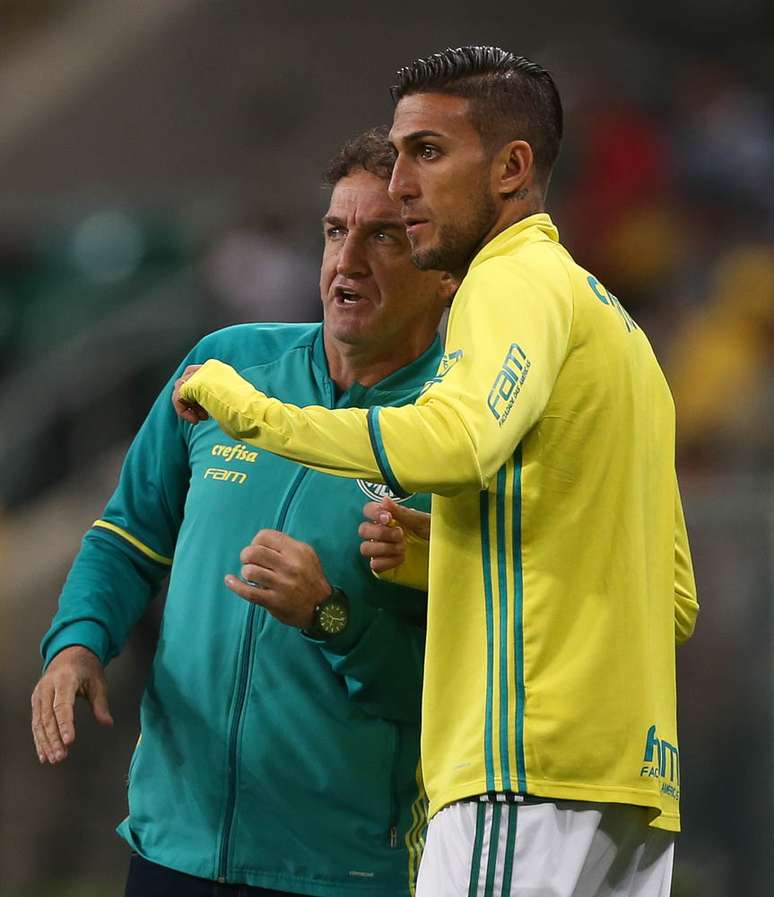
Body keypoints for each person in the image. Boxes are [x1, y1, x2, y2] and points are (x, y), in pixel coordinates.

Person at [173, 47, 700, 897]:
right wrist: (446, 548)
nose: (403, 179)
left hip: (518, 770)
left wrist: (254, 413)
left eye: (427, 151)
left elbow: (457, 441)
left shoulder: (506, 280)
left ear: (512, 168)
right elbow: (671, 595)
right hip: (627, 789)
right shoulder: (621, 332)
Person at [32, 126, 457, 897]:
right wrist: (76, 644)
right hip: (173, 849)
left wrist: (330, 614)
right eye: (335, 231)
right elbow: (127, 535)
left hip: (338, 869)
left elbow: (454, 696)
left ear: (443, 276)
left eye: (383, 237)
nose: (346, 261)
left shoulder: (456, 436)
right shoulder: (229, 368)